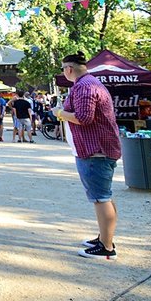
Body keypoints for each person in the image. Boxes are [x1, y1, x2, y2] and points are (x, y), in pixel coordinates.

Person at [55, 52, 122, 261]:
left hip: (95, 151)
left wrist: (60, 113)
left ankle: (107, 247)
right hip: (96, 149)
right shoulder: (90, 83)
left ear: (69, 69)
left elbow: (84, 117)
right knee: (104, 196)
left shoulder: (84, 86)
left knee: (101, 198)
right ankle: (105, 237)